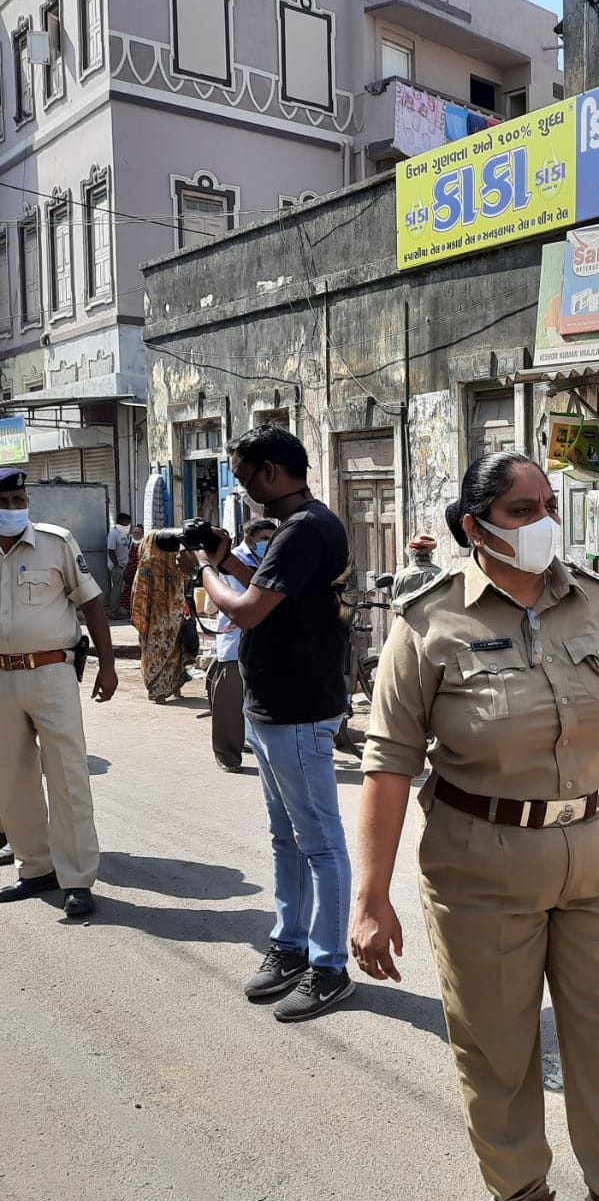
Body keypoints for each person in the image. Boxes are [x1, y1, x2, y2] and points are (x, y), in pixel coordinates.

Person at [351, 451, 599, 1201]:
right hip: (483, 868)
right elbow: (390, 763)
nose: (542, 524)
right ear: (475, 528)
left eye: (548, 506)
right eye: (520, 512)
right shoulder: (428, 622)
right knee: (498, 1059)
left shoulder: (597, 602)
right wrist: (370, 899)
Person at [180, 426, 354, 1023]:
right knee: (287, 838)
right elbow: (266, 581)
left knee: (321, 843)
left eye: (248, 474)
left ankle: (330, 966)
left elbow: (250, 608)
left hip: (299, 708)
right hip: (275, 704)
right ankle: (290, 945)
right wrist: (227, 556)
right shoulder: (299, 529)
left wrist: (206, 572)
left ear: (275, 471)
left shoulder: (307, 529)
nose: (244, 486)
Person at [0, 467, 117, 918]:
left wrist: (107, 666)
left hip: (52, 674)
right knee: (11, 780)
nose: (13, 510)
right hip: (2, 680)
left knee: (68, 776)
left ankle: (77, 879)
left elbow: (91, 604)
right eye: (5, 503)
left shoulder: (56, 541)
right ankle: (36, 869)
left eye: (19, 501)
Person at [206, 518, 276, 773]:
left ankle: (254, 743)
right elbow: (245, 595)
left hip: (266, 640)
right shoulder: (232, 561)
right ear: (250, 539)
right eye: (264, 538)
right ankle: (227, 755)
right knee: (230, 699)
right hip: (236, 638)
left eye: (271, 538)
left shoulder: (272, 558)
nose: (267, 543)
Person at [131, 533, 193, 703]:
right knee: (174, 648)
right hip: (173, 614)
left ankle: (160, 691)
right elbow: (186, 582)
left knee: (156, 651)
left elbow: (138, 595)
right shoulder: (178, 563)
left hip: (155, 618)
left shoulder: (147, 565)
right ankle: (172, 688)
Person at [390, 533, 441, 604]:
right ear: (430, 556)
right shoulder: (441, 574)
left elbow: (396, 602)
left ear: (411, 555)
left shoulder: (400, 576)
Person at [105, 512, 132, 617]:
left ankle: (121, 609)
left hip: (125, 566)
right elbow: (111, 550)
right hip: (117, 567)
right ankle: (112, 611)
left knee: (124, 588)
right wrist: (117, 565)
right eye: (127, 522)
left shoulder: (122, 534)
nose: (128, 524)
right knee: (117, 589)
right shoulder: (113, 534)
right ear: (121, 522)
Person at [120, 524, 144, 615]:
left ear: (142, 533)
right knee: (129, 592)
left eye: (138, 532)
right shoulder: (130, 543)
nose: (136, 534)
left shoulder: (144, 543)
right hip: (130, 572)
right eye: (134, 532)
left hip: (140, 573)